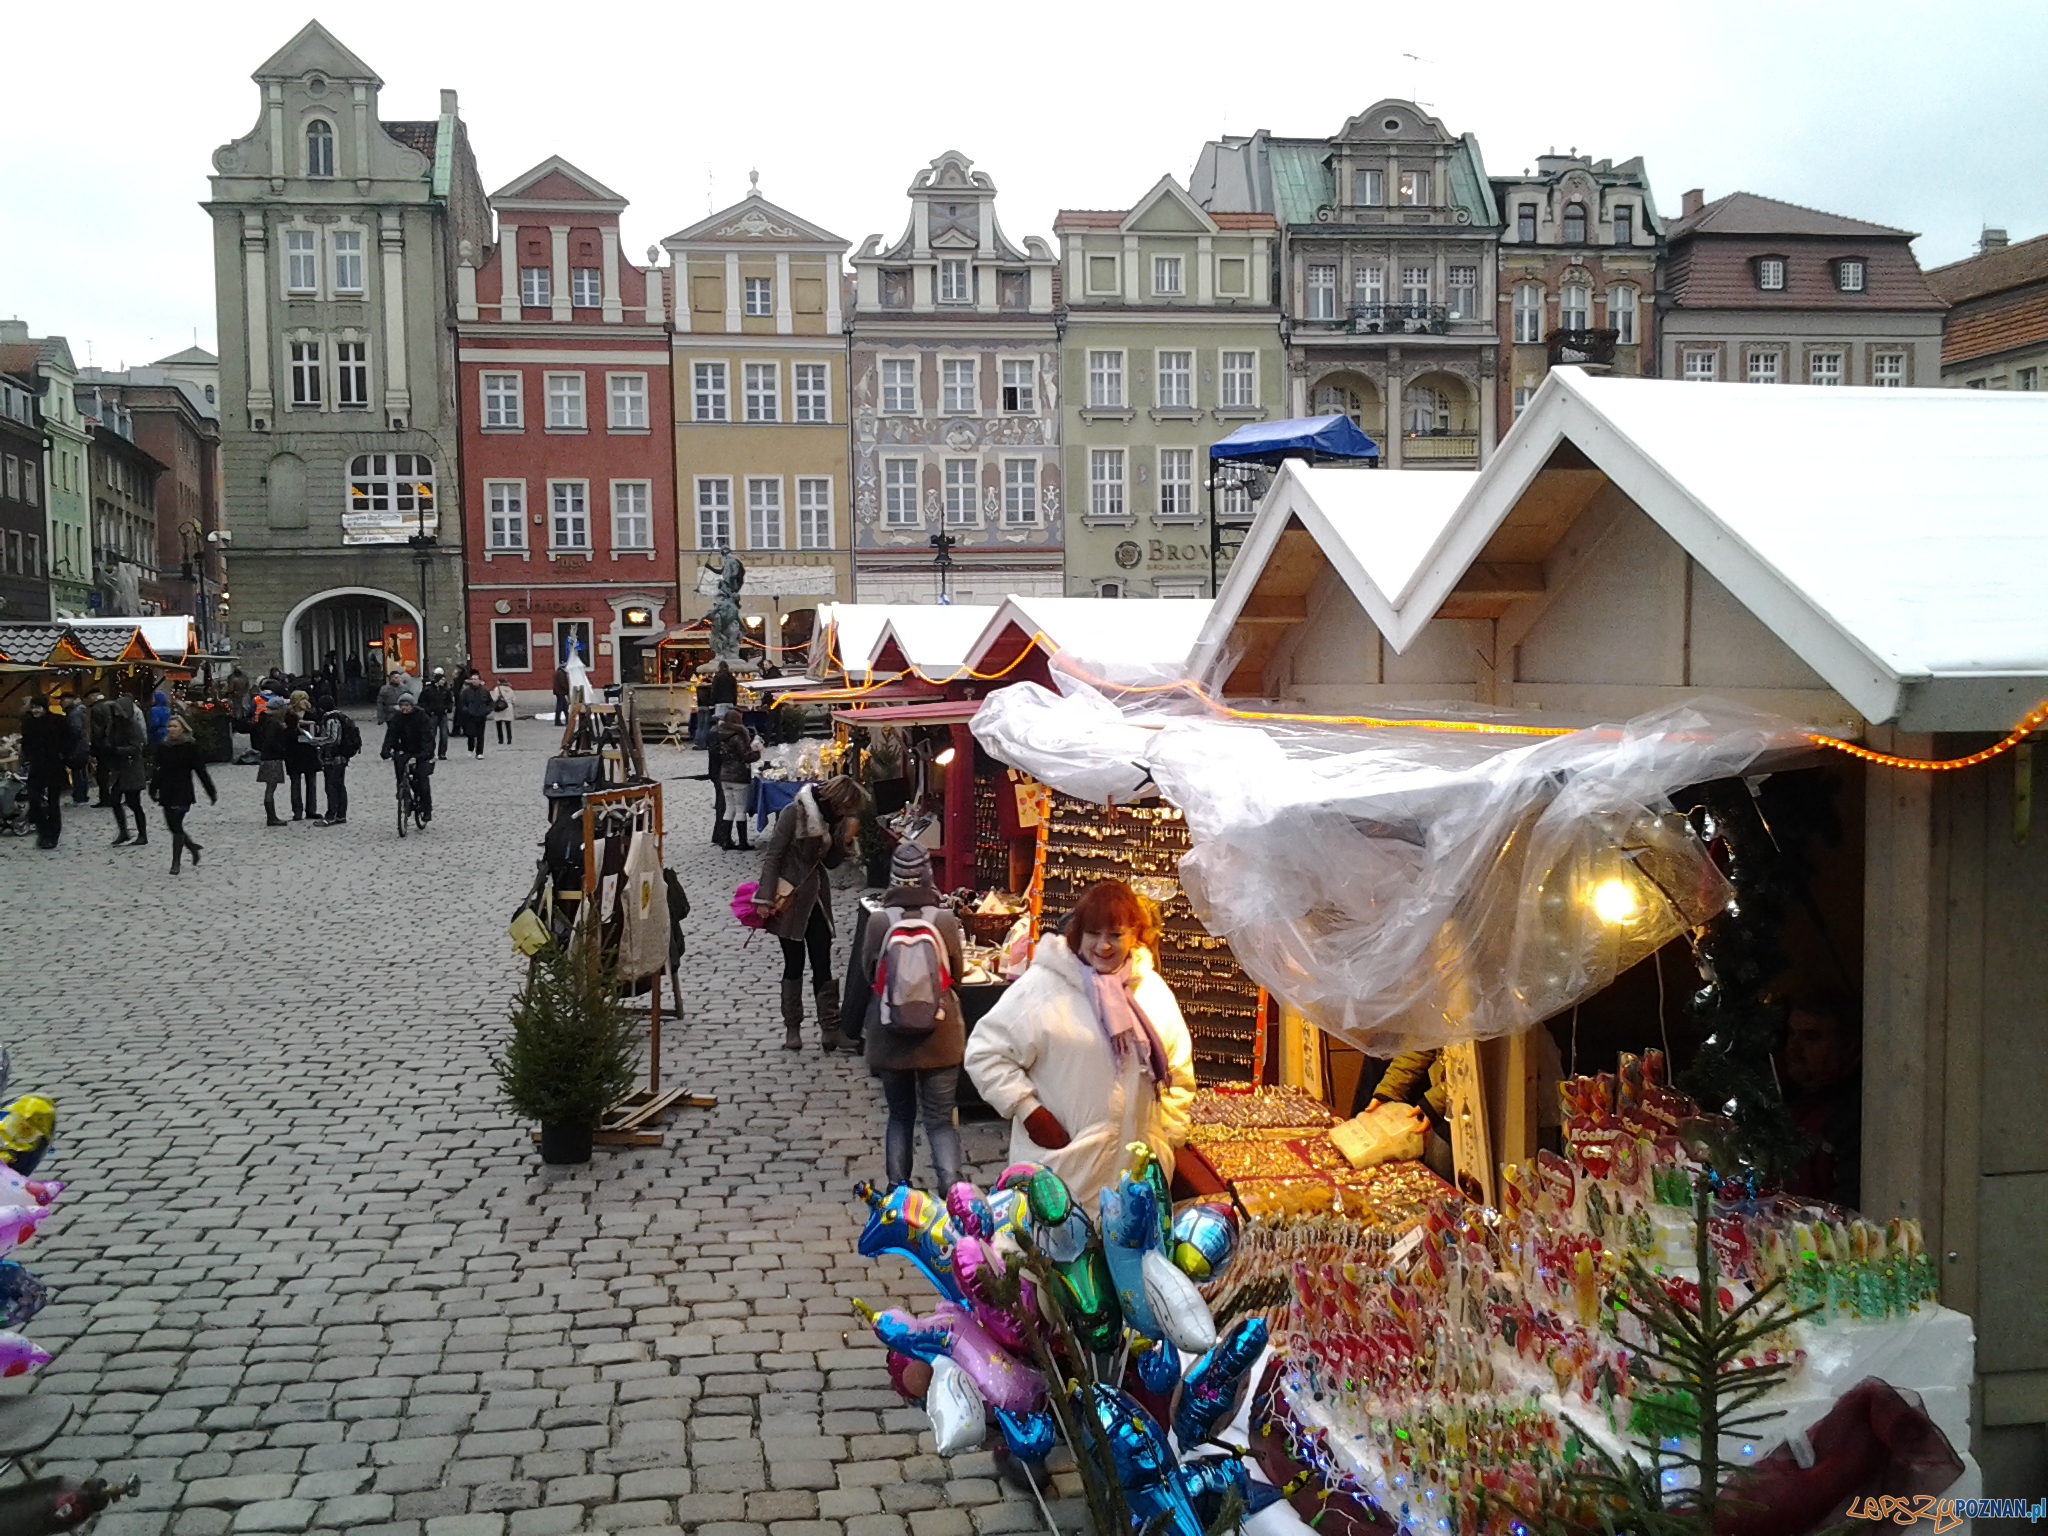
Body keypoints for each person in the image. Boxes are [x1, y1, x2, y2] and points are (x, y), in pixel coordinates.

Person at [964, 878, 1196, 1210]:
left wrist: (1166, 1141)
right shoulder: (1043, 988)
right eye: (1093, 934)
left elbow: (1178, 1073)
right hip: (1063, 1174)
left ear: (1134, 935)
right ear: (1078, 935)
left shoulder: (1151, 992)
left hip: (1136, 1182)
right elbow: (985, 1051)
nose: (1103, 946)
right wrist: (1030, 1111)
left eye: (1115, 935)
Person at [861, 843, 969, 1192]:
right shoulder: (944, 919)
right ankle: (951, 1188)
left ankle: (898, 1190)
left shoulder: (880, 920)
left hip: (890, 1035)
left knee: (899, 1115)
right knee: (940, 1119)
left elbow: (868, 972)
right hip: (938, 1036)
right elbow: (958, 972)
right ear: (928, 877)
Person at [755, 774, 866, 1052]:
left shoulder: (833, 820)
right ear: (835, 799)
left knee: (823, 962)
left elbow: (829, 862)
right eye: (844, 807)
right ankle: (793, 1028)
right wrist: (765, 897)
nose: (844, 813)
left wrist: (846, 841)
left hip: (816, 897)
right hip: (790, 897)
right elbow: (773, 856)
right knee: (794, 963)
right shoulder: (795, 812)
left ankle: (831, 1030)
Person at [1781, 992, 1863, 1209]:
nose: (1794, 1048)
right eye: (1791, 1034)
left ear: (1848, 1046)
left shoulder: (1854, 1116)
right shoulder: (1785, 1098)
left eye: (1811, 1037)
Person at [149, 714, 217, 874]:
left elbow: (201, 771)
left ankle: (176, 862)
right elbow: (157, 771)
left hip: (183, 790)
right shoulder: (163, 747)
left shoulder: (190, 747)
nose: (171, 729)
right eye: (169, 726)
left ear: (183, 729)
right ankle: (192, 847)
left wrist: (211, 791)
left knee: (176, 824)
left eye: (174, 726)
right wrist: (153, 789)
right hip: (166, 790)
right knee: (172, 825)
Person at [18, 696, 69, 850]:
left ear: (45, 707)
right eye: (33, 707)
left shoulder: (57, 721)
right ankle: (43, 831)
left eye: (38, 707)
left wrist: (64, 755)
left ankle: (53, 835)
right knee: (34, 800)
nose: (35, 710)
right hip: (36, 767)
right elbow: (26, 743)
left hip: (54, 766)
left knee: (53, 803)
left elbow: (68, 740)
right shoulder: (28, 724)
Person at [380, 692, 435, 824]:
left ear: (412, 705)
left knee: (421, 780)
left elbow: (428, 737)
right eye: (401, 705)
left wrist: (425, 753)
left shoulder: (421, 717)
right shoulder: (396, 718)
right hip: (404, 749)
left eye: (406, 705)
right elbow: (391, 735)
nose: (404, 708)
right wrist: (386, 750)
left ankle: (426, 808)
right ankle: (403, 792)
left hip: (420, 751)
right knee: (399, 768)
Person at [106, 692, 152, 847]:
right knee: (114, 799)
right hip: (119, 769)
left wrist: (117, 750)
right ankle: (123, 831)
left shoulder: (132, 725)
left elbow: (136, 747)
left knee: (134, 803)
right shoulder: (114, 725)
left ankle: (142, 834)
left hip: (131, 768)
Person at [711, 705, 758, 851]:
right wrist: (758, 752)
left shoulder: (720, 734)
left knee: (729, 808)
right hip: (739, 776)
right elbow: (746, 756)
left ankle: (726, 840)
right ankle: (743, 842)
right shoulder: (738, 736)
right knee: (740, 809)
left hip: (724, 775)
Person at [314, 693, 355, 826]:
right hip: (341, 758)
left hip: (334, 758)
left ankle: (332, 815)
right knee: (339, 786)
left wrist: (316, 741)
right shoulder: (341, 716)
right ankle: (341, 815)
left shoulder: (331, 719)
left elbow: (333, 738)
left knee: (332, 786)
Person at [284, 692, 322, 821]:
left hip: (309, 752)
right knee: (295, 783)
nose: (305, 701)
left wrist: (316, 729)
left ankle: (311, 809)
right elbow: (286, 734)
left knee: (311, 783)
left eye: (306, 698)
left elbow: (318, 732)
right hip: (294, 752)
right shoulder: (289, 716)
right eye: (302, 699)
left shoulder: (312, 714)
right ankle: (297, 811)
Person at [254, 692, 289, 826]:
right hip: (272, 758)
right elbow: (271, 741)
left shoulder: (266, 721)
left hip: (268, 757)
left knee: (270, 787)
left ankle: (272, 816)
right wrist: (282, 750)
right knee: (270, 787)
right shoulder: (273, 723)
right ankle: (271, 817)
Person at [61, 691, 91, 804]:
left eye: (63, 700)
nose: (61, 703)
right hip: (82, 746)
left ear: (70, 700)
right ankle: (82, 794)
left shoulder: (74, 714)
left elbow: (76, 731)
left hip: (77, 747)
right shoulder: (79, 711)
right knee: (81, 771)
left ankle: (80, 796)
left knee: (78, 772)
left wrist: (67, 742)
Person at [454, 672, 492, 758]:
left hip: (481, 716)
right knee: (470, 734)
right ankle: (470, 749)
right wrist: (466, 711)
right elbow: (461, 703)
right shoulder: (466, 692)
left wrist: (486, 711)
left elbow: (490, 702)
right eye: (472, 679)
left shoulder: (484, 691)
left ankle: (479, 752)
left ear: (479, 680)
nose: (474, 681)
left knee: (480, 735)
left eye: (475, 679)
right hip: (470, 716)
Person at [87, 689, 115, 805]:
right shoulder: (109, 705)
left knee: (102, 773)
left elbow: (97, 730)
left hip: (102, 745)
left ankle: (105, 798)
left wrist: (93, 745)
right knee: (108, 771)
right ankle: (110, 796)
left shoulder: (96, 709)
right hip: (110, 743)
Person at [421, 667, 453, 761]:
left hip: (443, 715)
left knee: (444, 735)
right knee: (431, 735)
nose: (443, 681)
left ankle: (442, 753)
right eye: (442, 679)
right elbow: (422, 702)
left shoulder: (445, 691)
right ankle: (430, 752)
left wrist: (448, 709)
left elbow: (450, 701)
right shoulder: (428, 690)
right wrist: (428, 711)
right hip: (432, 715)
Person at [491, 679, 515, 746]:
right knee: (508, 725)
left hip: (500, 707)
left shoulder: (497, 689)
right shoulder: (509, 689)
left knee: (499, 725)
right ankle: (509, 740)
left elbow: (494, 698)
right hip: (508, 707)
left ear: (499, 682)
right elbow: (514, 699)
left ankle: (501, 740)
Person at [552, 660, 571, 725]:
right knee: (561, 707)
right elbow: (563, 684)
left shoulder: (558, 672)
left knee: (563, 707)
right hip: (561, 693)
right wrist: (568, 689)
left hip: (559, 692)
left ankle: (566, 721)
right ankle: (559, 721)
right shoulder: (561, 673)